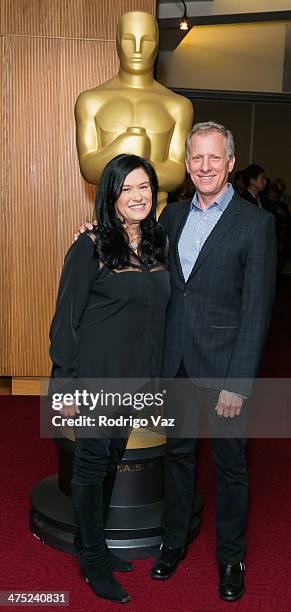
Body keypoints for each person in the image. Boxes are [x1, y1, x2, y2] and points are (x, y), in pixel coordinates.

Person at [76, 121, 277, 602]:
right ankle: (174, 541)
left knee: (231, 468)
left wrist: (239, 383)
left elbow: (257, 310)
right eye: (196, 158)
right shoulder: (172, 217)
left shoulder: (257, 224)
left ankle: (231, 558)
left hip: (225, 370)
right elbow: (131, 250)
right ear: (187, 165)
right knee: (179, 458)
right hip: (176, 364)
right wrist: (93, 232)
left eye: (215, 158)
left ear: (230, 163)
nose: (204, 166)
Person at [49, 154, 170, 604]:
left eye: (144, 187)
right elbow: (65, 322)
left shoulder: (157, 244)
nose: (137, 197)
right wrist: (64, 388)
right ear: (111, 197)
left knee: (110, 463)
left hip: (135, 384)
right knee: (91, 466)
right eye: (127, 189)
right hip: (95, 381)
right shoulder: (91, 246)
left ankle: (88, 541)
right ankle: (94, 560)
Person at [75, 10, 193, 215]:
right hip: (108, 221)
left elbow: (177, 172)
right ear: (118, 43)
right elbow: (88, 168)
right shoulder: (91, 101)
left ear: (157, 45)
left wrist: (135, 159)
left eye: (146, 41)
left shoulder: (178, 105)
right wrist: (122, 147)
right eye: (129, 40)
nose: (137, 49)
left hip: (157, 221)